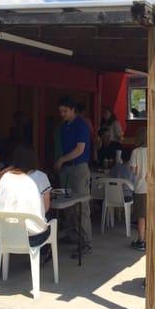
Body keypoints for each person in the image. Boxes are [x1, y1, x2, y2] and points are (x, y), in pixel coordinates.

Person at [0, 144, 52, 248]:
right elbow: (46, 208)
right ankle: (40, 255)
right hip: (33, 237)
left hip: (4, 236)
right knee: (49, 220)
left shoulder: (4, 177)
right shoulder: (41, 176)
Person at [55, 96, 93, 258]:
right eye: (60, 111)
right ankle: (73, 236)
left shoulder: (81, 125)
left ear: (72, 110)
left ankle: (86, 242)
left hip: (78, 168)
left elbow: (80, 149)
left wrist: (62, 160)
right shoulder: (64, 127)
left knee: (81, 207)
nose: (62, 114)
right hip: (66, 169)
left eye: (65, 111)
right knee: (67, 205)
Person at [129, 127, 147, 251]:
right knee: (151, 216)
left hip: (140, 188)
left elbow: (133, 170)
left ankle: (141, 241)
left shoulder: (135, 152)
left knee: (141, 217)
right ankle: (152, 240)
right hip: (153, 188)